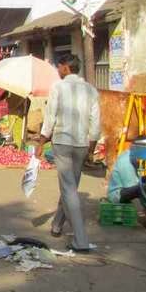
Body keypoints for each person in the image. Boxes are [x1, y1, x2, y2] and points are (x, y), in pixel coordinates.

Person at [37, 54, 100, 252]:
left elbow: (50, 116)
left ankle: (80, 241)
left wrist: (41, 140)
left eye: (59, 66)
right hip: (82, 144)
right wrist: (91, 147)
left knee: (69, 189)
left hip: (63, 142)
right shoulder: (91, 90)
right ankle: (57, 225)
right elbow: (96, 122)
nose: (58, 70)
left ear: (65, 67)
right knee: (70, 186)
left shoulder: (58, 87)